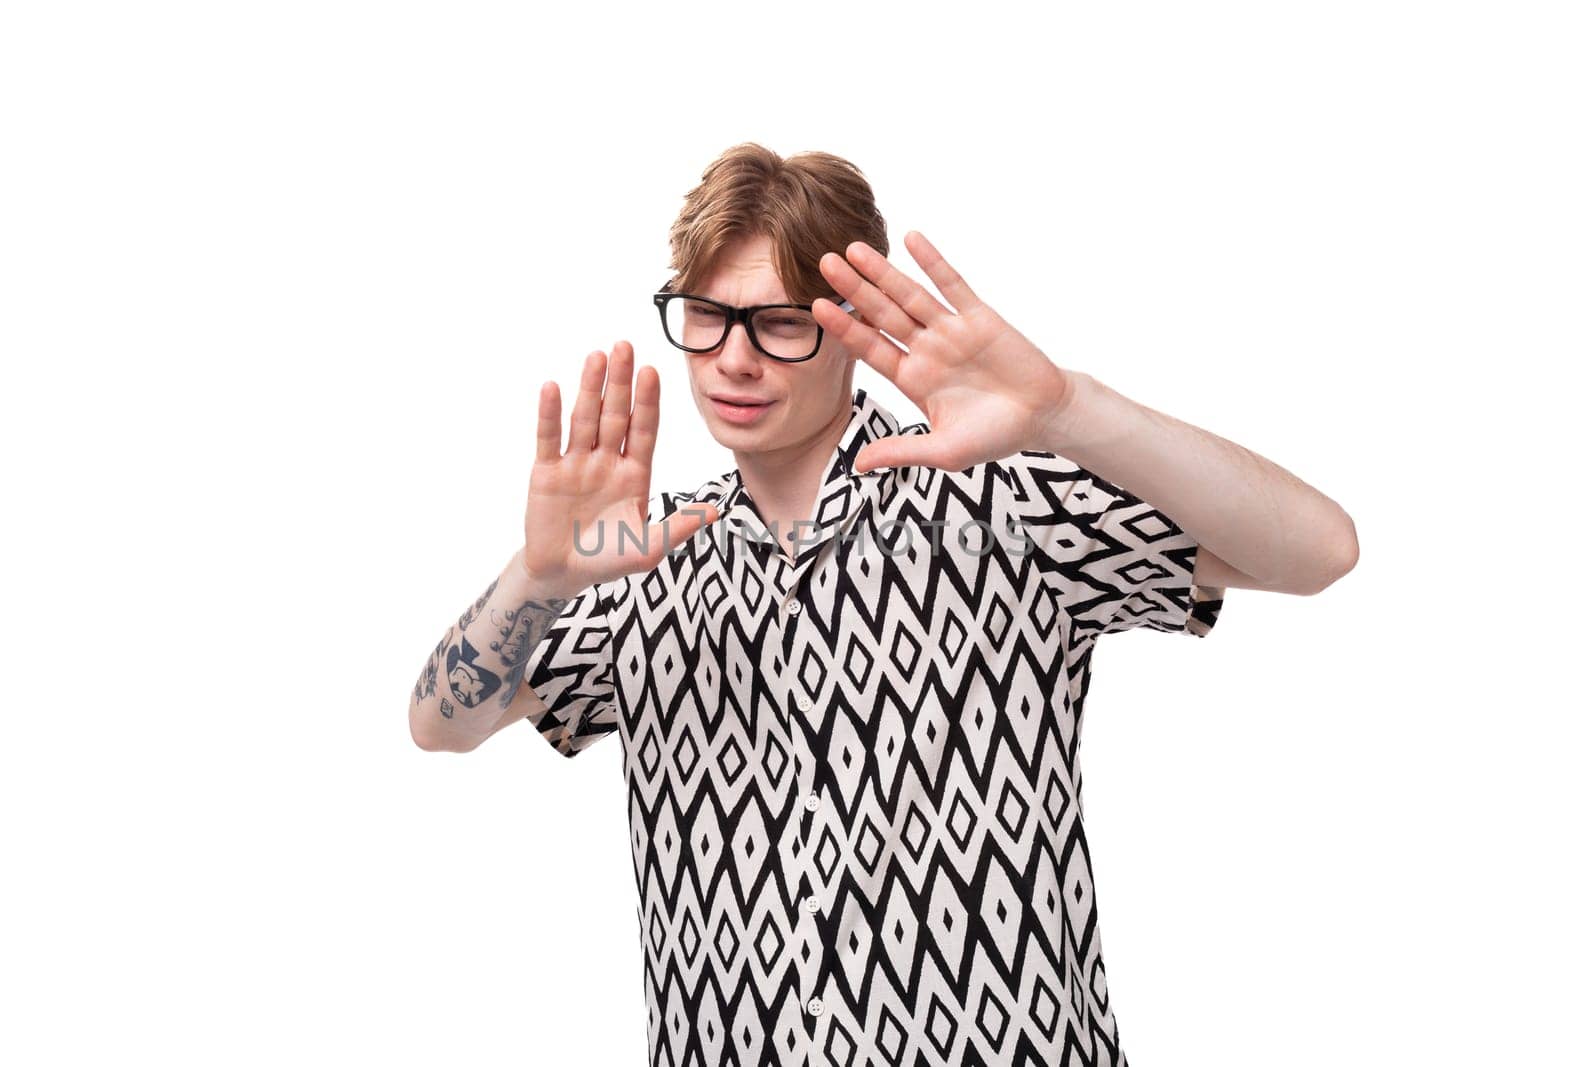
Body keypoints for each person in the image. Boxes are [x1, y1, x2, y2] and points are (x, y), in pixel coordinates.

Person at [407, 142, 1358, 1067]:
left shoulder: (1001, 499)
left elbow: (1319, 550)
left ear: (853, 323)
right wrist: (537, 576)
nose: (734, 360)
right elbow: (442, 723)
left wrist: (1065, 408)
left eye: (781, 321)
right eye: (708, 315)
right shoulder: (640, 560)